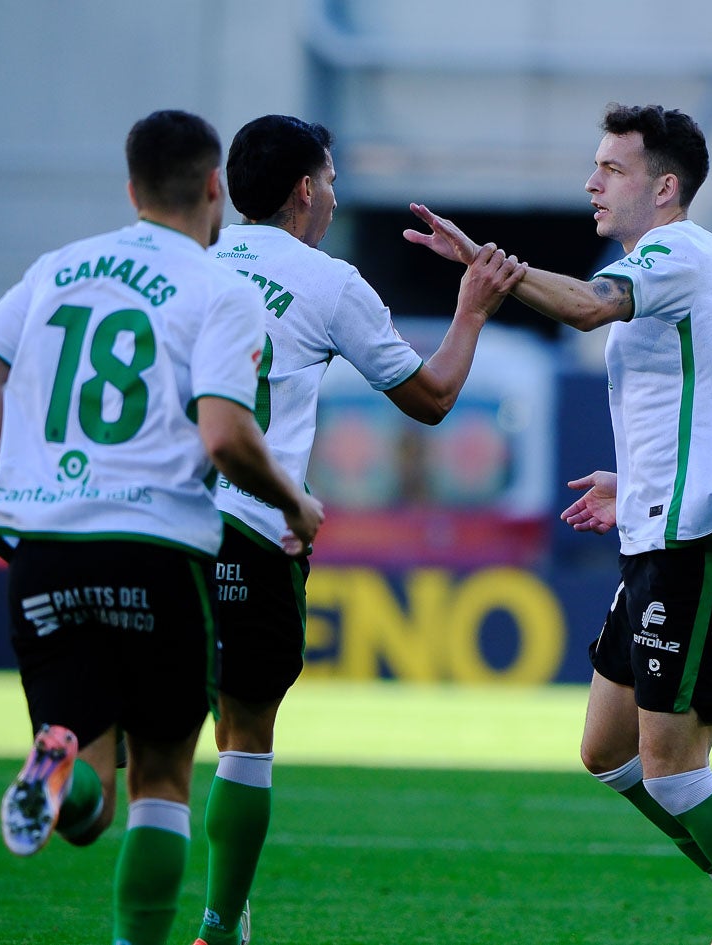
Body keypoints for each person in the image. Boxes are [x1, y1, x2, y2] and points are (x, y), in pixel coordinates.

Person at [406, 103, 712, 945]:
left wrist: (488, 265)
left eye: (611, 169)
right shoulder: (703, 264)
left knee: (673, 770)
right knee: (607, 751)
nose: (591, 182)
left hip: (696, 543)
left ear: (664, 187)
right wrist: (640, 481)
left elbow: (587, 308)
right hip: (664, 529)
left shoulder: (674, 252)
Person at [0, 109, 325, 945]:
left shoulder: (56, 267)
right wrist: (294, 503)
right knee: (161, 780)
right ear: (213, 186)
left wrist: (45, 468)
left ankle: (63, 771)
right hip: (154, 550)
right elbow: (224, 435)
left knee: (91, 800)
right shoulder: (218, 288)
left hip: (43, 549)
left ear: (130, 189)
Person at [191, 114, 523, 945]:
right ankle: (219, 925)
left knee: (163, 736)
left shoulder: (191, 264)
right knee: (245, 739)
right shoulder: (329, 283)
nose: (336, 197)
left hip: (164, 524)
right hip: (255, 526)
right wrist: (471, 308)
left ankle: (87, 759)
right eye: (333, 180)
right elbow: (432, 398)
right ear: (305, 188)